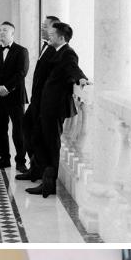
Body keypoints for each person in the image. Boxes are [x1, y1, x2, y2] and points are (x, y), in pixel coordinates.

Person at [27, 21, 89, 199]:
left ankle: (49, 184)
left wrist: (81, 78)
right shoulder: (57, 51)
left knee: (51, 144)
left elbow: (73, 68)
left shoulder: (68, 53)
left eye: (52, 34)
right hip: (46, 105)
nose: (49, 36)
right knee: (39, 139)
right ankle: (45, 178)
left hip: (55, 107)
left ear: (61, 37)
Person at [17, 14, 60, 183]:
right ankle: (35, 168)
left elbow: (69, 66)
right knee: (29, 130)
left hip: (45, 102)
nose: (42, 28)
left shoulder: (57, 49)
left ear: (54, 29)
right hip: (37, 100)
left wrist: (81, 78)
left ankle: (40, 171)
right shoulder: (47, 47)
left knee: (37, 135)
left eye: (46, 26)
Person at [0, 21, 29, 172]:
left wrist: (7, 87)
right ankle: (4, 159)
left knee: (18, 130)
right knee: (0, 129)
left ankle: (21, 161)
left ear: (12, 33)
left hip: (15, 97)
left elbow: (22, 72)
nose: (1, 32)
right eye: (0, 30)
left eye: (5, 30)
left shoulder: (21, 51)